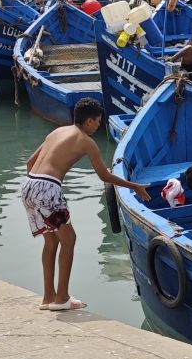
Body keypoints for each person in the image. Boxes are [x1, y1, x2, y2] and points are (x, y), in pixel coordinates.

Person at [20, 98, 151, 311]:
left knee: (51, 241)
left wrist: (37, 193)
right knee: (69, 240)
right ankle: (62, 299)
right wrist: (134, 186)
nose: (99, 125)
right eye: (98, 121)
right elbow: (104, 176)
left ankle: (48, 297)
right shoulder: (86, 141)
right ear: (89, 121)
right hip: (47, 188)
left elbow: (29, 163)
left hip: (28, 185)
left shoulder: (57, 132)